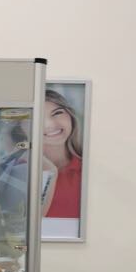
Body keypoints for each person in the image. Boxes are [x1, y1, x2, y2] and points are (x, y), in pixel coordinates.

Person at [42, 89, 82, 218]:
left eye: (57, 113)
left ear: (71, 116)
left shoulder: (87, 170)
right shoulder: (14, 171)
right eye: (38, 117)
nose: (50, 124)